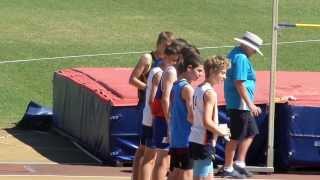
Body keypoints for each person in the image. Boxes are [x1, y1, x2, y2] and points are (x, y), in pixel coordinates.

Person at [129, 31, 175, 180]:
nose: (169, 49)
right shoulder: (148, 58)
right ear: (159, 43)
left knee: (146, 151)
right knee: (146, 151)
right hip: (148, 107)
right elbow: (133, 79)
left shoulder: (168, 63)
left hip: (152, 106)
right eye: (166, 46)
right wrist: (149, 88)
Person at [221, 31, 264, 178]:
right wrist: (250, 104)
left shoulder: (237, 54)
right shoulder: (240, 58)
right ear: (247, 46)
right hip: (239, 104)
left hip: (241, 104)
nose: (255, 53)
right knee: (236, 136)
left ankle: (239, 163)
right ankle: (227, 168)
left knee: (251, 132)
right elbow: (239, 82)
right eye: (254, 49)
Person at [141, 42, 181, 180]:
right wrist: (157, 118)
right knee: (151, 158)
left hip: (151, 117)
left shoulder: (158, 71)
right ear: (165, 57)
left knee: (149, 157)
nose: (175, 64)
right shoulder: (160, 73)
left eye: (177, 61)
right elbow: (153, 99)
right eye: (173, 60)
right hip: (154, 118)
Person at [189, 56, 231, 180]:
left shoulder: (199, 89)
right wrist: (221, 131)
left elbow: (192, 116)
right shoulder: (210, 93)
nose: (225, 77)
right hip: (203, 142)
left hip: (197, 139)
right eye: (223, 73)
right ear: (213, 71)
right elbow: (207, 122)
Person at [169, 52, 204, 180]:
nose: (201, 74)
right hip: (187, 139)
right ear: (189, 68)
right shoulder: (188, 89)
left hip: (176, 138)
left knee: (175, 172)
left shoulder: (175, 86)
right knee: (187, 173)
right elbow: (191, 116)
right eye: (199, 70)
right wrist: (205, 125)